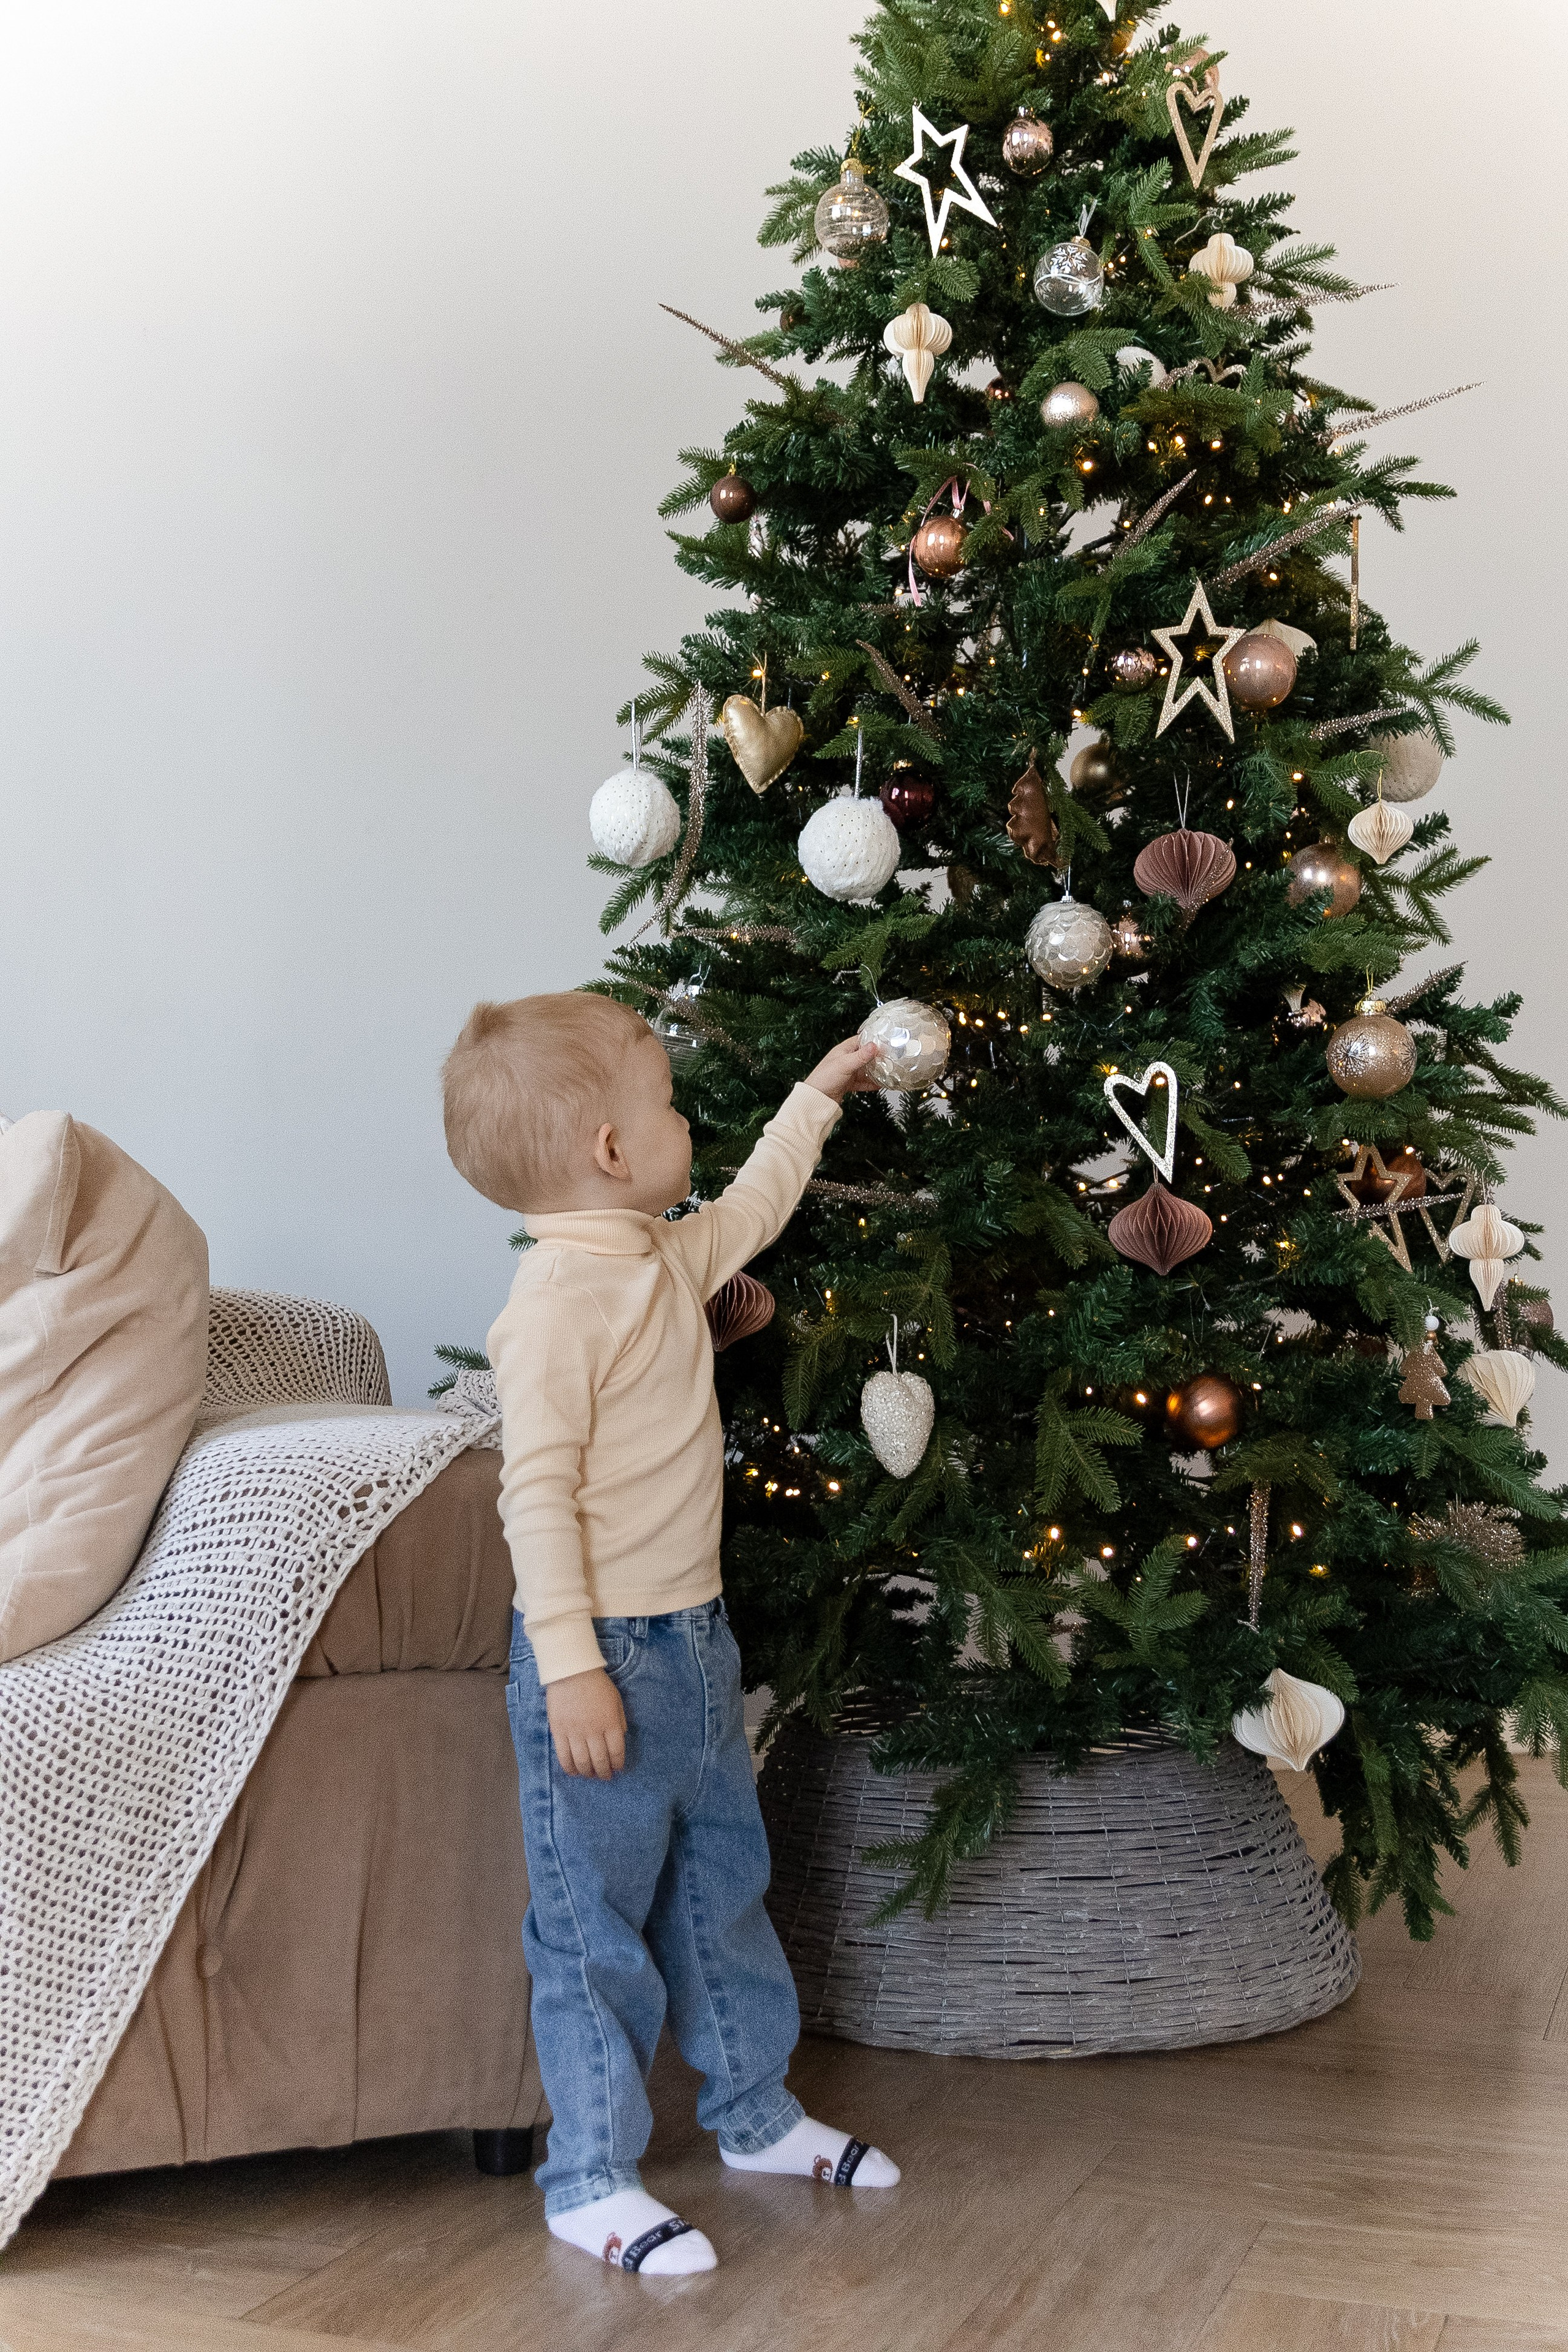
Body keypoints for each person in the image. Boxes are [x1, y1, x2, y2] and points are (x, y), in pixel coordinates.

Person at [442, 991, 899, 2278]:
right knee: (591, 1926)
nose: (684, 1125)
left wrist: (816, 1095)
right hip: (601, 1664)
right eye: (668, 1108)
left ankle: (753, 2111)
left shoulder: (657, 1255)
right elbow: (531, 1496)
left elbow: (751, 1208)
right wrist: (575, 1668)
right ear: (608, 1151)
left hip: (693, 1644)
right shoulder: (550, 1312)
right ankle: (587, 2175)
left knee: (719, 1883)